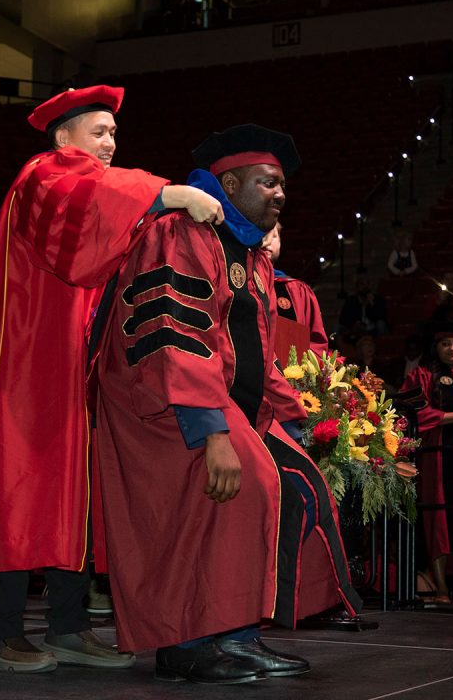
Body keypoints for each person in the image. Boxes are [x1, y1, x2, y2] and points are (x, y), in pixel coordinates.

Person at [0, 84, 225, 674]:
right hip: (18, 367)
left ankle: (68, 626)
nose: (109, 142)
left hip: (69, 367)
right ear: (63, 136)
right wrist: (168, 192)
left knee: (74, 496)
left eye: (114, 133)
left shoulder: (91, 183)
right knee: (13, 491)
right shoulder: (42, 175)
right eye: (99, 132)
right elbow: (88, 205)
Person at [92, 123, 361, 684]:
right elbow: (174, 333)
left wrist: (305, 417)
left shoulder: (247, 252)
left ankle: (234, 634)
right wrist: (211, 429)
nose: (281, 194)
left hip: (215, 401)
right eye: (268, 183)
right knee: (241, 490)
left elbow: (250, 353)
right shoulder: (181, 233)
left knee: (287, 483)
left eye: (284, 184)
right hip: (165, 406)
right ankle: (188, 644)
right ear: (229, 182)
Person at [396, 321, 453, 606]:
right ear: (435, 347)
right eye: (446, 344)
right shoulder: (421, 377)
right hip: (436, 458)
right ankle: (440, 590)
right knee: (438, 519)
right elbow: (416, 416)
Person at [262, 222, 328, 354]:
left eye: (274, 235)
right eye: (263, 233)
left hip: (291, 372)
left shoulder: (296, 290)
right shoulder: (238, 284)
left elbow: (316, 344)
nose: (268, 241)